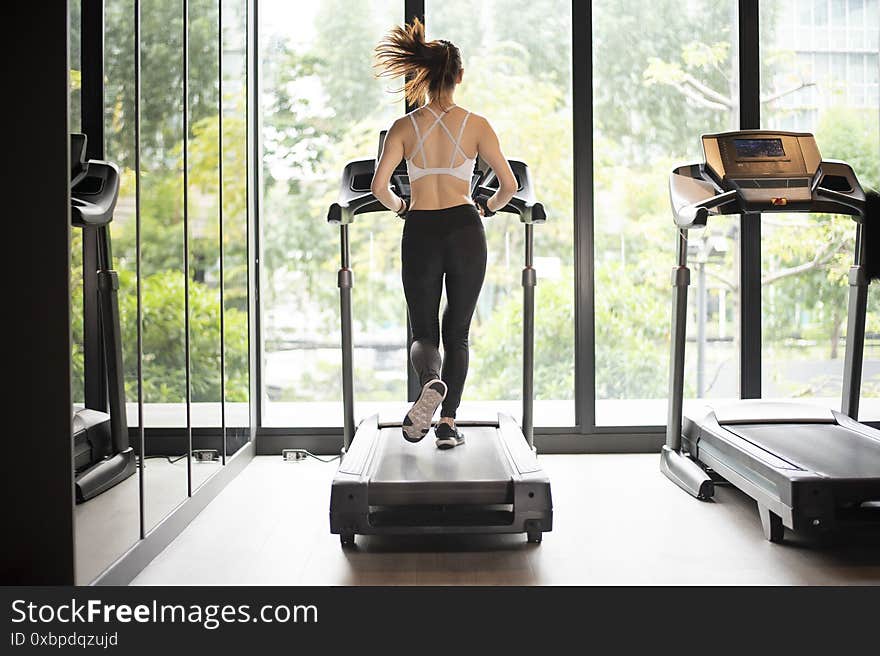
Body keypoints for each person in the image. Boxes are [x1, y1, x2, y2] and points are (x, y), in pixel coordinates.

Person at [371, 18, 517, 449]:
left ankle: (431, 382)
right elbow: (509, 186)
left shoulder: (404, 127)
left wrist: (402, 207)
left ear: (425, 74)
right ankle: (449, 424)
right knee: (459, 333)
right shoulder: (477, 125)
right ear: (459, 76)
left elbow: (380, 189)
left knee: (423, 333)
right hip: (464, 226)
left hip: (421, 228)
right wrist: (486, 206)